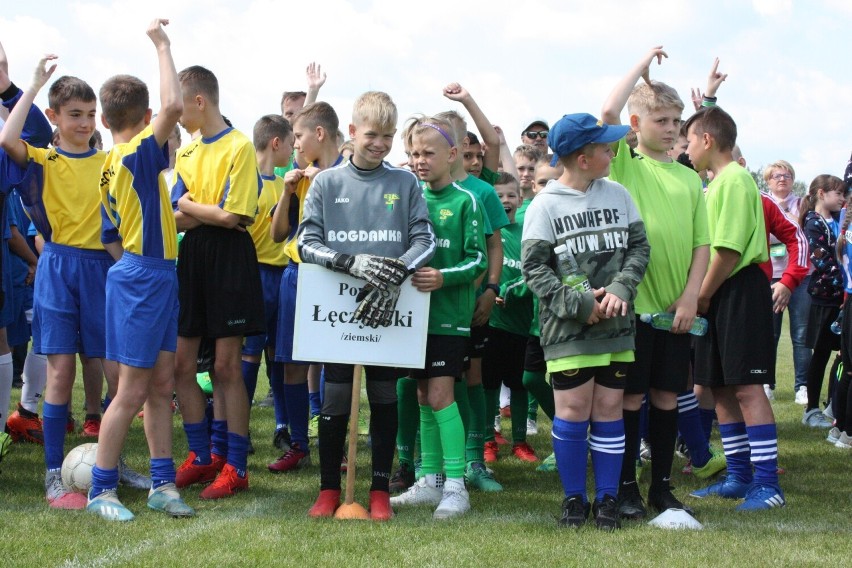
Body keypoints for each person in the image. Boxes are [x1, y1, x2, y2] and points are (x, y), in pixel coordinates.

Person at [298, 91, 436, 521]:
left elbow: (426, 240)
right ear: (353, 132)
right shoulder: (325, 182)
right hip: (337, 310)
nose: (380, 144)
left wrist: (395, 271)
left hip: (387, 309)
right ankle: (327, 489)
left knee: (382, 396)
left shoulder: (405, 182)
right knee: (336, 398)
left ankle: (378, 489)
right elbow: (304, 242)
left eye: (389, 136)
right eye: (372, 134)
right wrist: (348, 261)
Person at [0, 53, 121, 509]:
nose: (85, 123)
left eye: (91, 115)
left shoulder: (110, 161)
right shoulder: (44, 159)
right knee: (60, 372)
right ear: (53, 116)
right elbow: (7, 137)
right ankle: (54, 474)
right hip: (59, 267)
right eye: (74, 114)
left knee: (116, 374)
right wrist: (29, 85)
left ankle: (107, 463)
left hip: (104, 270)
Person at [85, 18, 194, 521]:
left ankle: (161, 483)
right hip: (143, 276)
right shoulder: (135, 155)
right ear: (147, 116)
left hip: (150, 273)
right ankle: (100, 491)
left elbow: (110, 234)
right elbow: (174, 106)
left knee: (160, 384)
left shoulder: (110, 160)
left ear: (103, 120)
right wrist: (163, 44)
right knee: (130, 390)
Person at [522, 113, 650, 530]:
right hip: (569, 331)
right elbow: (535, 270)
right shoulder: (545, 204)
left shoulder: (618, 193)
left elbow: (639, 248)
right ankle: (574, 498)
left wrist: (621, 290)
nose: (612, 151)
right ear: (581, 158)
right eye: (603, 147)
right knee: (574, 409)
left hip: (616, 325)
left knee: (610, 407)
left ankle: (608, 499)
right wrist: (579, 305)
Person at [601, 46, 710, 519]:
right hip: (630, 308)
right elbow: (605, 111)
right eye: (661, 119)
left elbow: (702, 245)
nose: (670, 129)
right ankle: (625, 487)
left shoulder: (688, 179)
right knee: (629, 396)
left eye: (675, 121)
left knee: (667, 396)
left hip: (674, 309)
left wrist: (691, 297)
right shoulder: (626, 166)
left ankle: (660, 487)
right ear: (637, 124)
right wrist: (641, 65)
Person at [171, 64, 265, 500]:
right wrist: (205, 208)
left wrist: (196, 204)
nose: (174, 114)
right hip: (193, 256)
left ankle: (237, 465)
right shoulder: (185, 153)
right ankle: (202, 455)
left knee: (227, 367)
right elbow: (176, 215)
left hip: (230, 259)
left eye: (178, 106)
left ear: (199, 101)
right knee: (181, 366)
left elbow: (235, 217)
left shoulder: (239, 146)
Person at [685, 105, 785, 511]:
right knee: (721, 387)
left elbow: (727, 251)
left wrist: (702, 296)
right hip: (716, 291)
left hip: (737, 290)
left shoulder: (737, 180)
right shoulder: (713, 184)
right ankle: (739, 476)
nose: (686, 148)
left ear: (707, 140)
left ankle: (767, 483)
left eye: (689, 140)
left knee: (746, 386)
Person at [390, 116, 486, 519]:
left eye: (428, 153)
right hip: (412, 319)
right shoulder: (411, 199)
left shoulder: (466, 200)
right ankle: (429, 480)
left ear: (452, 155)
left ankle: (456, 485)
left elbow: (478, 258)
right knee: (421, 396)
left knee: (442, 396)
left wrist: (444, 277)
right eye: (414, 153)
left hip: (448, 317)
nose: (420, 160)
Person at [269, 102, 343, 472]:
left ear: (319, 134)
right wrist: (287, 192)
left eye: (298, 136)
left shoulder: (348, 176)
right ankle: (299, 444)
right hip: (297, 274)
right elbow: (277, 233)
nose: (294, 144)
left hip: (333, 277)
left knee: (336, 366)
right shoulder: (296, 177)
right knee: (293, 367)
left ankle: (337, 446)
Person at [240, 114, 294, 465]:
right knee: (247, 357)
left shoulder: (285, 183)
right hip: (253, 278)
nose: (295, 150)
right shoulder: (246, 182)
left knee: (280, 356)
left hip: (283, 276)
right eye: (291, 143)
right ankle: (238, 429)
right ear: (277, 143)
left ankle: (283, 424)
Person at [481, 172, 537, 462]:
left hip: (520, 323)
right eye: (499, 196)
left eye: (511, 195)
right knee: (489, 383)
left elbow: (533, 273)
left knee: (518, 382)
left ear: (520, 198)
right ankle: (489, 439)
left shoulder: (526, 232)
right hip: (491, 321)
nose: (505, 200)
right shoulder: (487, 232)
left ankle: (520, 440)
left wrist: (511, 290)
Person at [798, 175, 846, 428]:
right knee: (821, 354)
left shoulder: (840, 221)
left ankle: (832, 404)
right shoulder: (813, 222)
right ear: (820, 193)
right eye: (837, 193)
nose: (842, 198)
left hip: (842, 298)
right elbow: (824, 262)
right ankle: (811, 408)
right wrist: (845, 287)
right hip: (825, 298)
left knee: (843, 353)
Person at [763, 160, 812, 403]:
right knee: (768, 333)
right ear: (767, 181)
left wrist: (783, 214)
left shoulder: (803, 203)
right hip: (772, 275)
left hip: (800, 277)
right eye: (776, 176)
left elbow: (803, 234)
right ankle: (766, 383)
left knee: (801, 334)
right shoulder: (761, 201)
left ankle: (802, 386)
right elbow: (764, 234)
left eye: (787, 175)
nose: (782, 179)